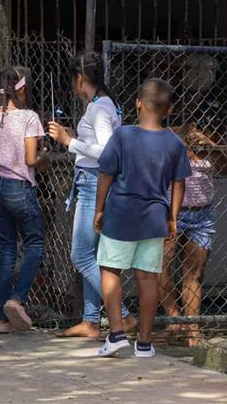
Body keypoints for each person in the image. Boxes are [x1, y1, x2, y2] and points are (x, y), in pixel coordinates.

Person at [94, 78, 191, 358]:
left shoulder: (123, 136)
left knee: (110, 269)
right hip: (154, 218)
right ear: (169, 109)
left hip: (120, 214)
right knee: (148, 278)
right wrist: (172, 218)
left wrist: (99, 209)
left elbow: (106, 174)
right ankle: (145, 343)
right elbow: (179, 183)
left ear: (137, 103)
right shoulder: (174, 142)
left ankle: (116, 334)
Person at [48, 52, 136, 339]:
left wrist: (68, 141)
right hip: (92, 181)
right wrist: (76, 137)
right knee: (93, 255)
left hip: (92, 183)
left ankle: (121, 315)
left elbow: (107, 152)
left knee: (81, 255)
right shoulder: (103, 104)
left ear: (80, 78)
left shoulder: (99, 108)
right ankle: (90, 320)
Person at [0, 66, 50, 334]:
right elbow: (31, 160)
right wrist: (46, 158)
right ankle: (17, 298)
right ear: (20, 89)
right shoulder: (29, 118)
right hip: (20, 187)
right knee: (34, 243)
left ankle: (1, 319)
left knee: (7, 248)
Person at [158, 122, 227, 334]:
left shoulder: (212, 138)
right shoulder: (169, 137)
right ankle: (174, 318)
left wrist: (212, 147)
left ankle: (192, 329)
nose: (196, 126)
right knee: (160, 266)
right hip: (172, 212)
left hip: (202, 214)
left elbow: (225, 170)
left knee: (194, 273)